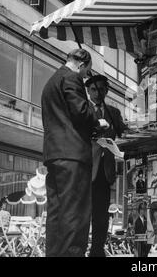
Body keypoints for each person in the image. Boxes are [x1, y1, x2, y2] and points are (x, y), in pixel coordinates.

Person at [41, 48, 109, 257]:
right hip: (73, 155)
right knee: (75, 213)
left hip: (54, 155)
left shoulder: (51, 81)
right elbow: (80, 112)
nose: (85, 77)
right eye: (86, 72)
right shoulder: (71, 78)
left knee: (56, 213)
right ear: (82, 65)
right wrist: (98, 122)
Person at [85, 74, 128, 257]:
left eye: (101, 89)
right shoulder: (83, 109)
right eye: (94, 89)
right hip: (86, 169)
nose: (97, 93)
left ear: (107, 91)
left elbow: (124, 133)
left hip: (105, 170)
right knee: (83, 214)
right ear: (88, 91)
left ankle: (97, 251)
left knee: (101, 217)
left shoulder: (113, 112)